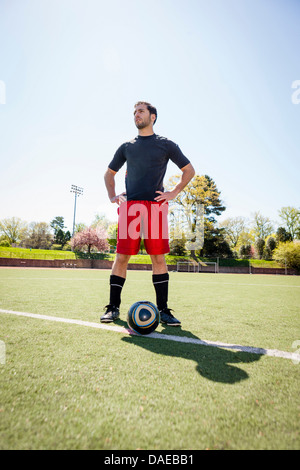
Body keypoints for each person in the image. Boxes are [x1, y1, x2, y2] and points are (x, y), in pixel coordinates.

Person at [101, 101, 195, 326]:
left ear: (152, 116)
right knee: (121, 257)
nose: (136, 115)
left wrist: (173, 192)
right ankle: (113, 308)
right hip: (131, 207)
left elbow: (189, 170)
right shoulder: (127, 146)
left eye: (141, 111)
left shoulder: (166, 144)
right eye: (134, 112)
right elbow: (108, 174)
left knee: (158, 258)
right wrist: (113, 197)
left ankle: (164, 311)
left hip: (155, 207)